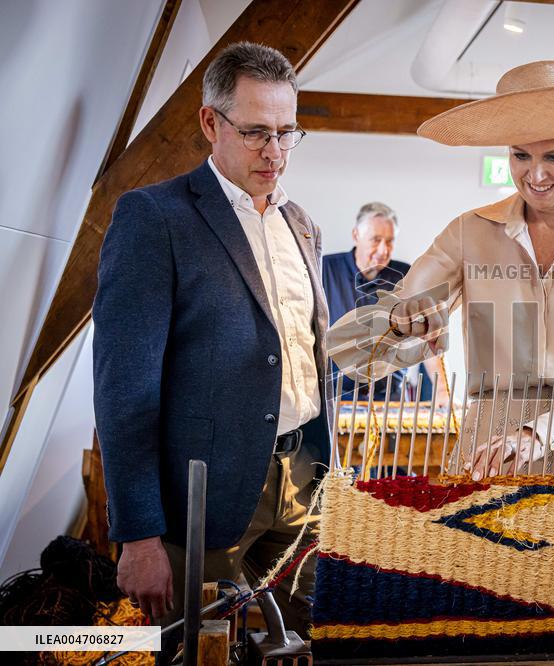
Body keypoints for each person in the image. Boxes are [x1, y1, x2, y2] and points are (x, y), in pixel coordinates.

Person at [93, 42, 329, 657]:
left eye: (286, 133)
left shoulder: (300, 223)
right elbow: (124, 389)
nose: (275, 153)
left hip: (303, 483)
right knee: (190, 648)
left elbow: (298, 351)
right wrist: (140, 536)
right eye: (255, 133)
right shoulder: (155, 218)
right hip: (202, 496)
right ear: (209, 122)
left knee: (302, 641)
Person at [327, 61, 554, 480]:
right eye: (520, 155)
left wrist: (539, 433)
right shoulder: (470, 231)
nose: (535, 174)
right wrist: (399, 325)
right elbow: (354, 354)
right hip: (490, 456)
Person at [321, 202, 448, 404]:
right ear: (356, 235)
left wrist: (442, 391)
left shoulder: (406, 275)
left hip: (390, 402)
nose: (383, 250)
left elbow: (429, 337)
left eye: (389, 241)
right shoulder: (323, 269)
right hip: (333, 401)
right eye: (376, 240)